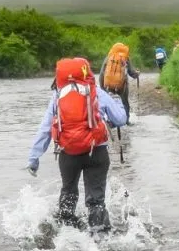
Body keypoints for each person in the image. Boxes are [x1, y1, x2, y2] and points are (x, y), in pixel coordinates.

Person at [26, 57, 127, 233]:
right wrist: (117, 101)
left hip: (68, 154)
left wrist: (34, 158)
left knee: (69, 192)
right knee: (96, 200)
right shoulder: (98, 92)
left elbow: (45, 129)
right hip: (97, 152)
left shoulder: (58, 95)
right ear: (87, 73)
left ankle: (67, 235)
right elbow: (120, 119)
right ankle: (100, 238)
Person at [100, 42, 140, 124]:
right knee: (125, 102)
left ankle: (110, 121)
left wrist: (103, 88)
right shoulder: (125, 58)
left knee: (109, 102)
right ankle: (126, 121)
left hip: (108, 85)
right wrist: (137, 74)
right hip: (122, 86)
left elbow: (101, 74)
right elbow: (131, 72)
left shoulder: (109, 58)